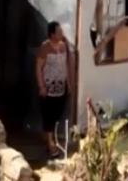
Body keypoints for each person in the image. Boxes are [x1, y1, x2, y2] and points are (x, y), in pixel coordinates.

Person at [35, 21, 74, 158]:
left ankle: (48, 138)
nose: (61, 33)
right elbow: (38, 68)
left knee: (57, 114)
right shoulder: (45, 47)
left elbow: (65, 67)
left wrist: (68, 84)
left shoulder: (63, 46)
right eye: (58, 32)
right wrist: (41, 87)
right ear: (52, 34)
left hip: (61, 88)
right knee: (48, 116)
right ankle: (50, 144)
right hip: (48, 88)